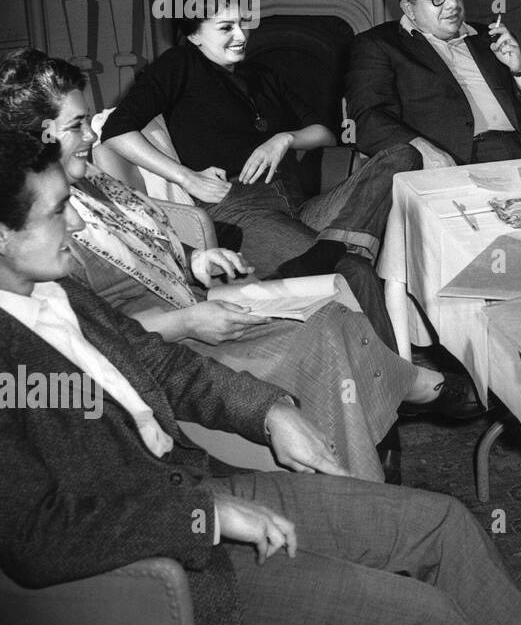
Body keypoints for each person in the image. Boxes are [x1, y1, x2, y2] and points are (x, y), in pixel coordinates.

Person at [0, 132, 521, 625]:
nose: (75, 224)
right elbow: (36, 536)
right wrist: (206, 516)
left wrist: (270, 413)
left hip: (193, 487)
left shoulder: (56, 291)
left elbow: (165, 367)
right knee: (427, 619)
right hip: (154, 562)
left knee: (445, 524)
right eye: (56, 213)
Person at [0, 49, 479, 482]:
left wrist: (196, 258)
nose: (91, 137)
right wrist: (187, 319)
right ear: (33, 137)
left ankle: (367, 473)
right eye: (76, 126)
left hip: (200, 306)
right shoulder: (34, 231)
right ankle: (367, 471)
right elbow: (88, 339)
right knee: (326, 331)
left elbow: (150, 246)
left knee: (334, 307)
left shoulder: (91, 182)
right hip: (172, 349)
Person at [98, 0, 418, 352]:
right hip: (240, 210)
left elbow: (324, 133)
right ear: (195, 34)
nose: (241, 36)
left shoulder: (260, 72)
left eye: (243, 23)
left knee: (403, 155)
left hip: (296, 205)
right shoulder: (179, 66)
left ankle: (330, 246)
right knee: (354, 270)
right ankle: (404, 384)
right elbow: (115, 131)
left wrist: (283, 140)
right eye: (225, 27)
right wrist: (187, 178)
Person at [347, 0, 521, 165]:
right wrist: (421, 150)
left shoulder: (488, 36)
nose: (453, 4)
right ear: (409, 8)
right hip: (463, 159)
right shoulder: (381, 45)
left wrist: (520, 69)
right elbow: (367, 119)